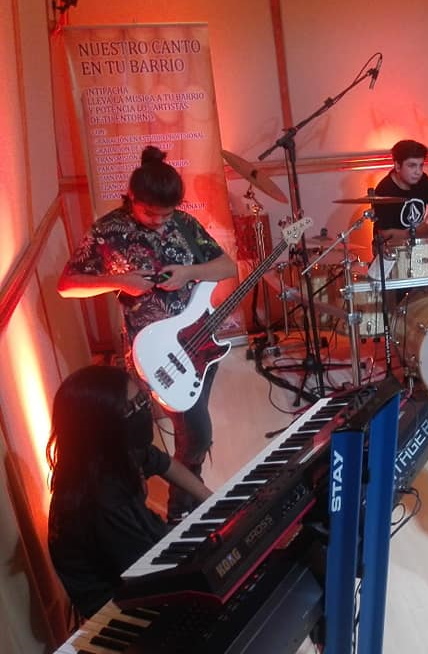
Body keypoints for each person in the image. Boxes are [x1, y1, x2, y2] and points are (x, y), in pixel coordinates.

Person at [58, 145, 236, 522]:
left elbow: (226, 266)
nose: (158, 221)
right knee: (194, 431)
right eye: (150, 213)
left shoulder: (183, 224)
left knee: (192, 430)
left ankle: (185, 505)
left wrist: (189, 273)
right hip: (152, 349)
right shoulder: (108, 230)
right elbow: (67, 284)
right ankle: (179, 509)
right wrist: (118, 280)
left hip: (199, 339)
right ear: (132, 197)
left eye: (166, 213)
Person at [47, 365, 213, 618]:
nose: (145, 409)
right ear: (102, 425)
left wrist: (214, 501)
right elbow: (153, 572)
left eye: (143, 399)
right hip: (123, 608)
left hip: (144, 561)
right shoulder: (101, 501)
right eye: (132, 407)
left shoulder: (112, 451)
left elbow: (163, 463)